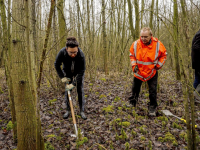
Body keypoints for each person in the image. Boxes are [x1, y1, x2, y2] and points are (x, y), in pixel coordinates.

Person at [129, 27, 167, 116]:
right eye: (142, 36)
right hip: (139, 72)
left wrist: (158, 65)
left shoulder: (158, 44)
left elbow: (164, 55)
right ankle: (132, 103)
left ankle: (152, 107)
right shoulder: (135, 44)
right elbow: (132, 55)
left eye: (145, 37)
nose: (143, 39)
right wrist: (134, 65)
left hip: (151, 72)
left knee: (152, 90)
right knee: (135, 89)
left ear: (151, 36)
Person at [54, 37, 87, 120]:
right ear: (66, 49)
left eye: (75, 52)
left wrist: (74, 83)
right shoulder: (62, 53)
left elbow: (82, 70)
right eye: (70, 52)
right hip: (67, 73)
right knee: (68, 90)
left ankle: (81, 111)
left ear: (77, 50)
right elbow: (57, 65)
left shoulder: (81, 55)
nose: (73, 54)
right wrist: (63, 78)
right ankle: (68, 110)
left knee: (80, 90)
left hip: (78, 73)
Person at [191, 29, 200, 101]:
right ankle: (194, 95)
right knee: (197, 79)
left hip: (197, 62)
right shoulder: (199, 34)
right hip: (198, 63)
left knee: (197, 79)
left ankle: (193, 96)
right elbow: (195, 47)